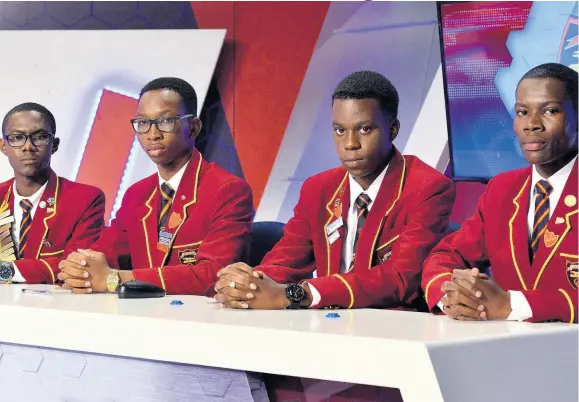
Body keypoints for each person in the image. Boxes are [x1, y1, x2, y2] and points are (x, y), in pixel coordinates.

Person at [214, 70, 456, 311]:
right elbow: (285, 260)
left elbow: (402, 278)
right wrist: (248, 284)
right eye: (340, 130)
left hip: (393, 329)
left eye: (364, 129)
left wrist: (300, 294)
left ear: (393, 130)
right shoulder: (318, 188)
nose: (350, 144)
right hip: (328, 327)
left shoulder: (428, 188)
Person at [58, 77, 253, 295]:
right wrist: (79, 266)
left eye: (166, 121)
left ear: (194, 127)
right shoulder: (137, 194)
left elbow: (214, 275)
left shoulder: (228, 190)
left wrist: (114, 279)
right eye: (143, 123)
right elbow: (104, 252)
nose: (153, 134)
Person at [422, 63, 578, 323]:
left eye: (550, 111)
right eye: (522, 112)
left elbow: (510, 304)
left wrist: (512, 305)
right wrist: (452, 296)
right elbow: (446, 256)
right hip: (501, 351)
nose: (531, 124)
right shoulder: (503, 189)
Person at [0, 102, 105, 284]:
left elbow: (78, 266)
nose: (28, 147)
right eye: (17, 138)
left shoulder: (85, 199)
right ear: (3, 147)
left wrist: (7, 271)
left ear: (54, 145)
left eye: (39, 137)